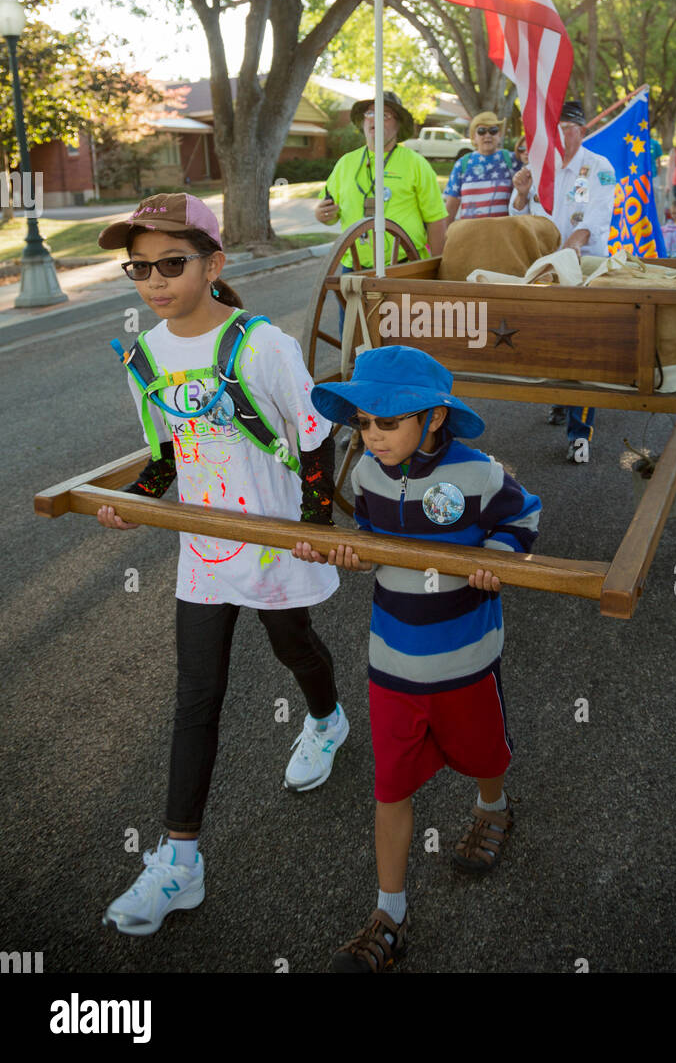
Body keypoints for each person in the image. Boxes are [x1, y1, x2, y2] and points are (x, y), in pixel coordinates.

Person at [94, 194, 346, 936]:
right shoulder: (145, 357)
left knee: (293, 645)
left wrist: (316, 523)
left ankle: (328, 720)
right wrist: (135, 499)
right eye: (139, 267)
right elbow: (171, 452)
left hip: (271, 540)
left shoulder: (261, 345)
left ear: (214, 263)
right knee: (196, 693)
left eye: (172, 263)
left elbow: (312, 434)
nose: (154, 281)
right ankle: (180, 861)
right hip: (201, 550)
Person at [293, 345, 541, 973]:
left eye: (388, 422)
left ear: (434, 418)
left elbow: (525, 515)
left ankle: (493, 808)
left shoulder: (480, 473)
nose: (372, 437)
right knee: (391, 785)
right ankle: (389, 911)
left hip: (465, 660)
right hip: (393, 662)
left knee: (485, 754)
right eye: (365, 423)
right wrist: (359, 554)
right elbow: (375, 544)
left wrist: (502, 554)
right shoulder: (368, 475)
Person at [509, 98, 616, 463]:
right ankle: (558, 397)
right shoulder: (540, 168)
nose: (561, 134)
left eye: (568, 128)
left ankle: (580, 432)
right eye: (556, 128)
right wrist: (521, 193)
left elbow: (599, 215)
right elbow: (521, 215)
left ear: (582, 131)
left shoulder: (598, 167)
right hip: (547, 265)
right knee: (548, 337)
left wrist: (576, 241)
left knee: (583, 345)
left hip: (585, 264)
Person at [314, 90, 448, 267]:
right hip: (354, 268)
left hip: (405, 266)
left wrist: (438, 269)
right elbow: (329, 214)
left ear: (398, 125)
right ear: (363, 122)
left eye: (384, 115)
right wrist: (322, 214)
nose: (375, 119)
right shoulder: (345, 163)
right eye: (370, 113)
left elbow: (436, 220)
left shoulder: (416, 163)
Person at [444, 111, 517, 223]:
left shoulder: (512, 160)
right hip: (470, 236)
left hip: (504, 236)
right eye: (481, 131)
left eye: (493, 131)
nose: (487, 135)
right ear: (474, 136)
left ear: (499, 134)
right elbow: (450, 211)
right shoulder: (462, 163)